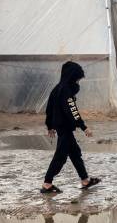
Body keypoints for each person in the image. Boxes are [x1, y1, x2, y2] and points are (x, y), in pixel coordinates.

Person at [42, 61, 100, 194]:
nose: (78, 82)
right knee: (60, 156)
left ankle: (85, 180)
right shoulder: (66, 90)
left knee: (75, 153)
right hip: (65, 127)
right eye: (78, 79)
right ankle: (47, 184)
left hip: (61, 127)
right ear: (72, 77)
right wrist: (84, 127)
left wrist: (50, 125)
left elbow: (49, 108)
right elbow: (72, 111)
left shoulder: (57, 88)